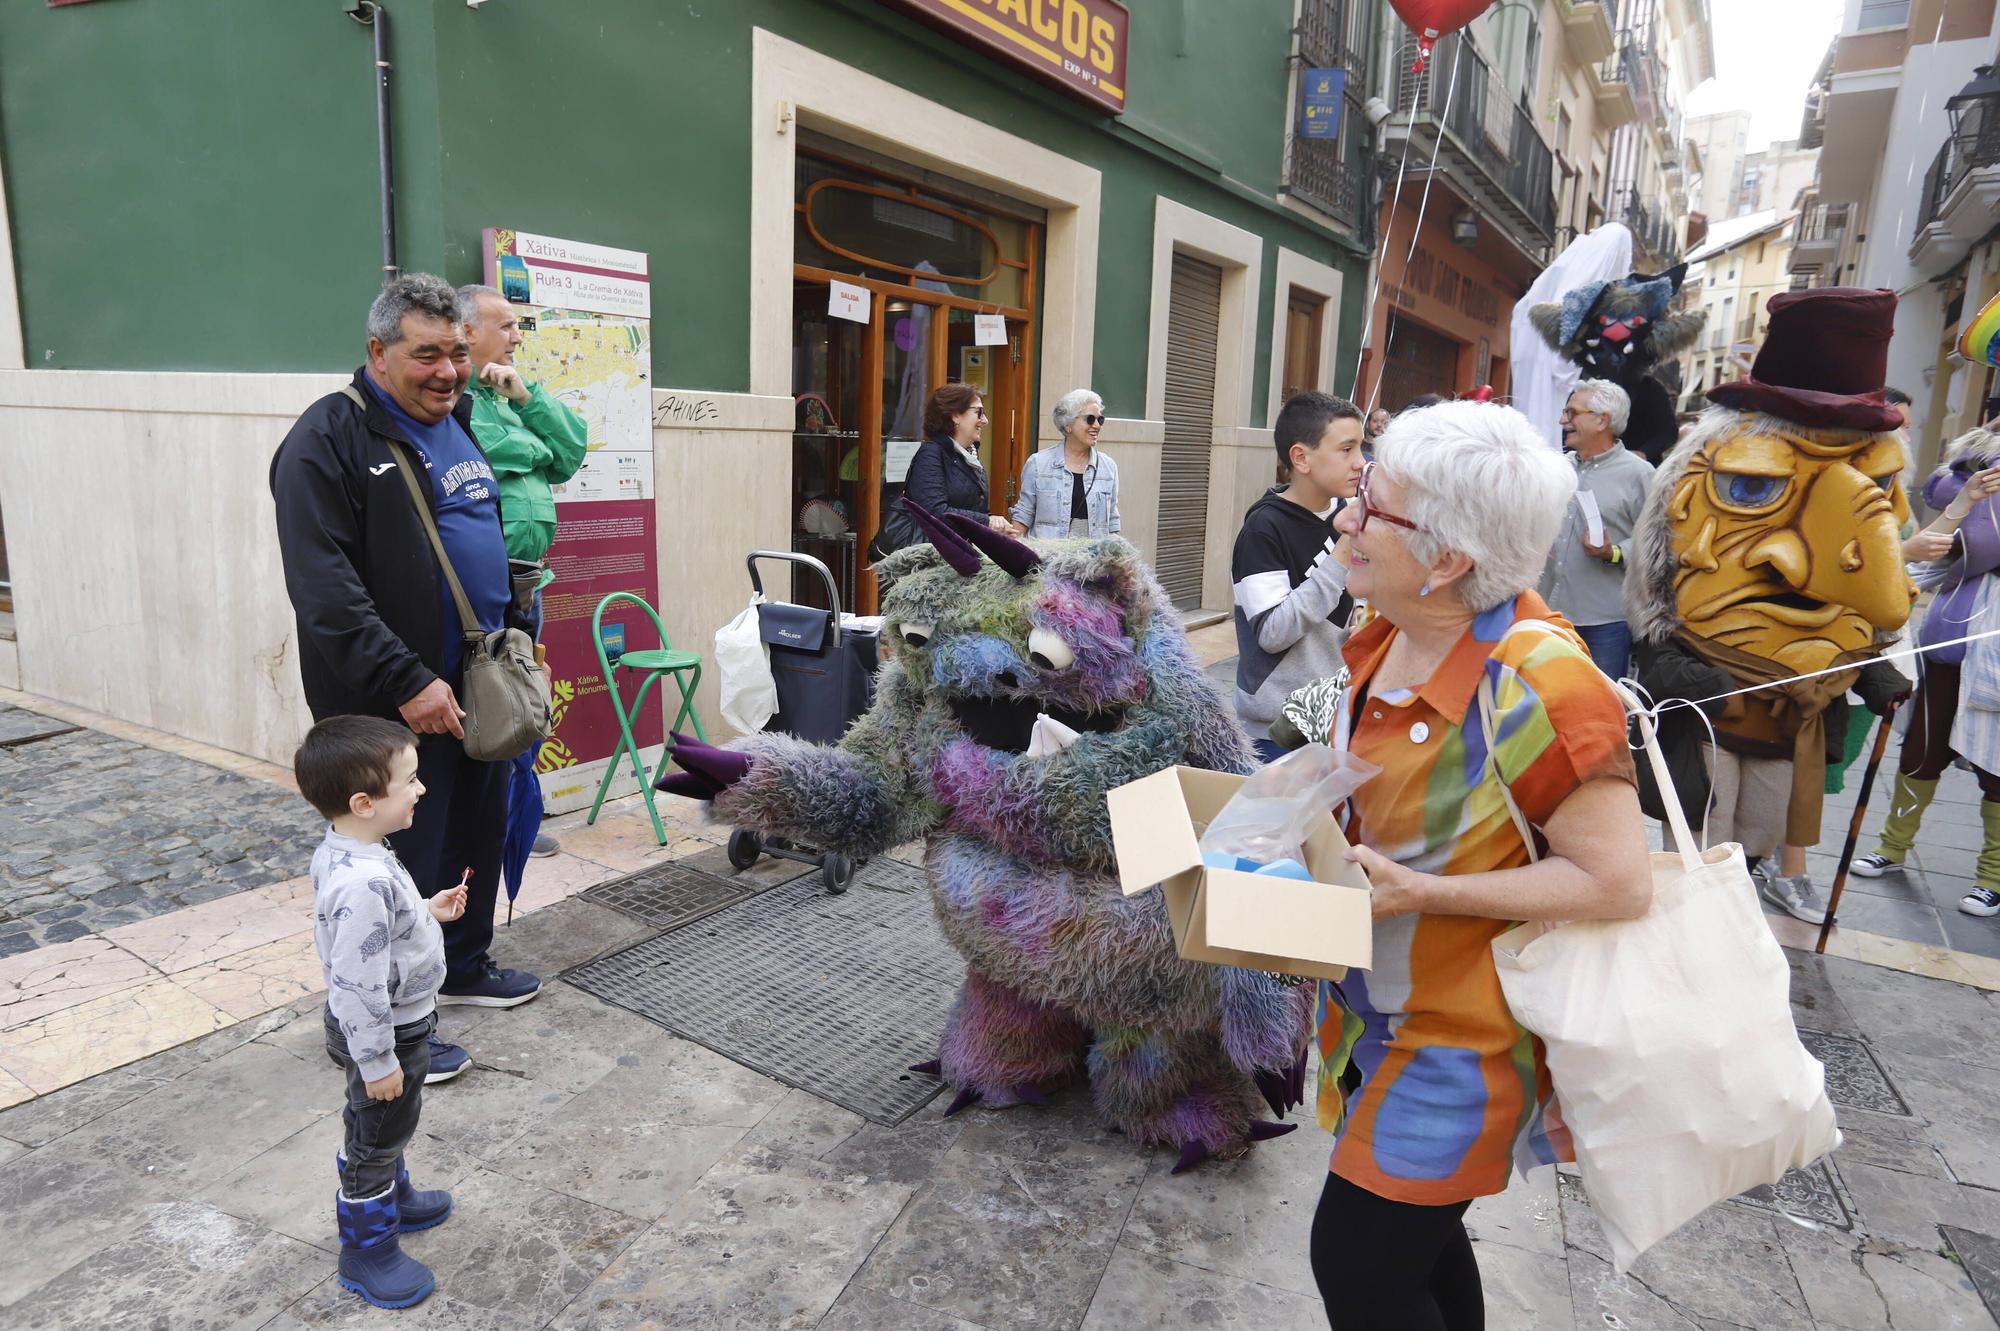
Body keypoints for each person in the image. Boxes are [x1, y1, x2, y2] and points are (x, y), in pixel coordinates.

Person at [1305, 401, 1651, 1329]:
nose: (1345, 516)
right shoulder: (1387, 628)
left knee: (1359, 1269)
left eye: (1371, 506)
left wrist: (1427, 891)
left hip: (1462, 1042)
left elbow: (1618, 879)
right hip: (1370, 1019)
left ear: (1450, 560)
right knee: (1420, 1251)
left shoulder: (1538, 677)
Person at [271, 274, 544, 1088]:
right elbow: (326, 593)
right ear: (377, 352)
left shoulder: (457, 422)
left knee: (474, 830)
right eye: (427, 354)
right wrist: (407, 678)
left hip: (475, 688)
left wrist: (521, 641)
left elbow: (481, 542)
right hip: (391, 705)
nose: (449, 371)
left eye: (458, 352)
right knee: (393, 867)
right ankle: (371, 1024)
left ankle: (460, 962)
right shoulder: (328, 438)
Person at [1627, 288, 1917, 927]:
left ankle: (1736, 914)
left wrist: (1877, 675)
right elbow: (1656, 626)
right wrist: (1698, 677)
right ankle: (1688, 934)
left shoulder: (1857, 524)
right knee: (1697, 839)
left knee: (1756, 834)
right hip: (1713, 720)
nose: (1788, 560)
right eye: (1752, 486)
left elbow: (1864, 618)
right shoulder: (1698, 476)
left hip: (1793, 724)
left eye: (1877, 484)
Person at [297, 715, 467, 1310]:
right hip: (385, 1033)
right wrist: (377, 1061)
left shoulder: (353, 850)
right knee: (374, 1134)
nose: (421, 790)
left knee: (383, 1128)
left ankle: (394, 1195)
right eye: (411, 781)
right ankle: (367, 1249)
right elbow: (357, 980)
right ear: (365, 802)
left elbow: (375, 937)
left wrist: (424, 912)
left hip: (392, 1026)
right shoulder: (363, 880)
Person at [457, 283, 589, 860]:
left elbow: (569, 452)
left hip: (528, 586)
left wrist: (528, 399)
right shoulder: (451, 400)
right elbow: (487, 454)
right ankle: (485, 823)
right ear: (466, 332)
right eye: (506, 325)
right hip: (480, 588)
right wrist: (528, 444)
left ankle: (515, 823)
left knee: (526, 704)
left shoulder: (508, 396)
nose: (516, 337)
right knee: (489, 705)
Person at [1853, 419, 2000, 915]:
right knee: (1921, 751)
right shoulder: (1975, 461)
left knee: (1998, 768)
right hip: (1944, 651)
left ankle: (1993, 877)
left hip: (1995, 663)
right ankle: (1893, 847)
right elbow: (1931, 546)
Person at [1231, 392, 1367, 762]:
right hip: (1277, 727)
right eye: (1346, 449)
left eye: (1362, 448)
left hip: (1336, 715)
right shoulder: (1264, 528)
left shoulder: (1347, 512)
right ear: (1301, 458)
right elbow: (1273, 633)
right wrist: (1342, 552)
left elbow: (1355, 597)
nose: (1360, 463)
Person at [1537, 381, 1651, 680]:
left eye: (1572, 413)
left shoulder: (1640, 475)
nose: (1563, 420)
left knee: (1599, 710)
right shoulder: (1556, 468)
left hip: (1604, 623)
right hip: (1546, 612)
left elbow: (1660, 543)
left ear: (1603, 420)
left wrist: (1613, 553)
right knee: (1542, 704)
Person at [1007, 388, 1121, 538]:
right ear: (1068, 425)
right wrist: (1010, 552)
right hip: (1050, 559)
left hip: (1093, 560)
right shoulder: (1038, 464)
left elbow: (1112, 521)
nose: (1097, 426)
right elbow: (1024, 514)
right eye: (1090, 419)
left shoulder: (1108, 467)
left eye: (1100, 420)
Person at [899, 383, 1009, 535]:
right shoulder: (931, 454)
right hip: (932, 554)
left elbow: (972, 510)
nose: (985, 421)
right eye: (979, 412)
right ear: (955, 415)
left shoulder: (970, 457)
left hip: (959, 552)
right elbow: (933, 512)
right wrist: (987, 522)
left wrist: (995, 529)